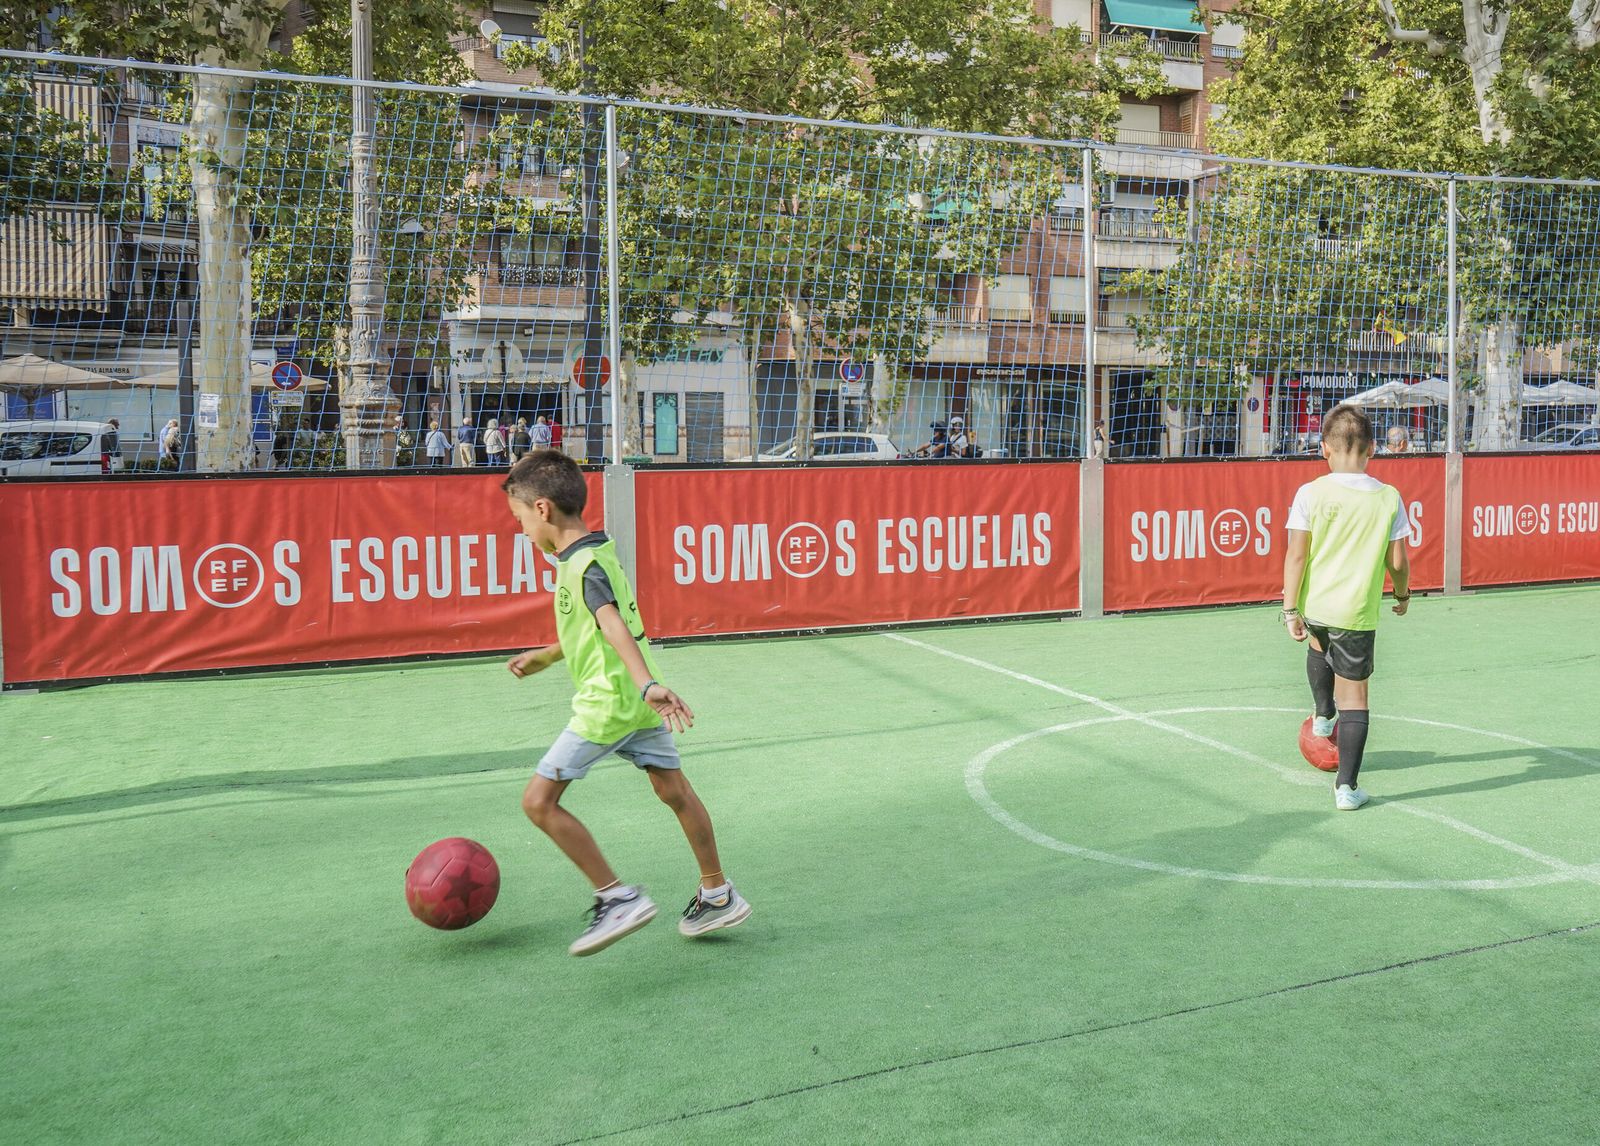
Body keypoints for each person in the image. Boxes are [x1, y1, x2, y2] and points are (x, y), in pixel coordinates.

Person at [504, 450, 751, 955]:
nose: (522, 529)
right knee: (675, 791)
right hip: (636, 701)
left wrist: (642, 684)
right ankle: (718, 893)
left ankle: (616, 897)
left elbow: (612, 622)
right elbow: (595, 623)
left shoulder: (583, 564)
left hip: (611, 704)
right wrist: (549, 657)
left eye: (520, 518)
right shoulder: (595, 553)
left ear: (544, 510)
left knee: (537, 802)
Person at [1281, 404, 1412, 811]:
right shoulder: (1389, 498)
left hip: (1316, 607)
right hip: (1355, 614)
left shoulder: (1310, 492)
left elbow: (1296, 556)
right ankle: (1347, 788)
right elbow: (1398, 562)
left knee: (1319, 649)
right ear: (1373, 449)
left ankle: (1322, 715)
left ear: (1324, 449)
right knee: (1355, 698)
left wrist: (1290, 609)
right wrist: (1403, 594)